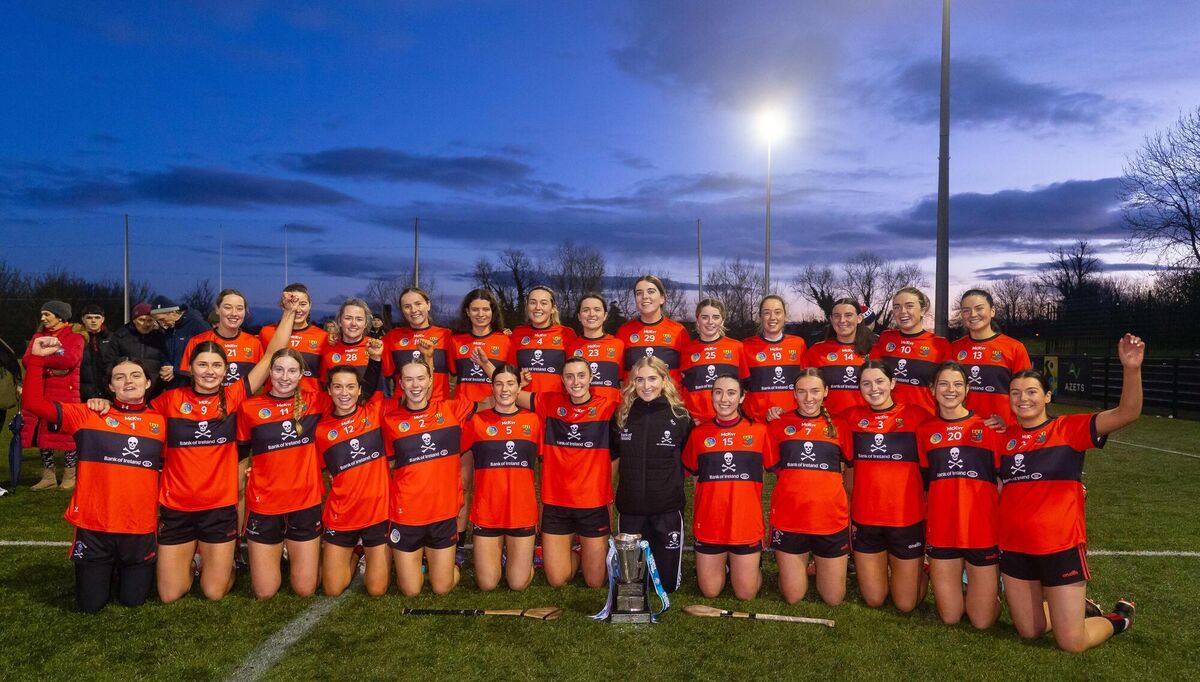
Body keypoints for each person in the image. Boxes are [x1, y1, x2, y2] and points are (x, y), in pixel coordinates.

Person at [999, 334, 1144, 653]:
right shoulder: (1003, 438)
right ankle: (1076, 607)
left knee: (1071, 642)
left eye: (1032, 391)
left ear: (1048, 396)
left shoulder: (1069, 429)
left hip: (1060, 544)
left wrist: (1131, 369)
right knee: (1030, 632)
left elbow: (1127, 413)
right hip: (1014, 547)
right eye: (1016, 392)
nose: (1023, 398)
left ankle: (1117, 619)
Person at [23, 336, 165, 613]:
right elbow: (33, 403)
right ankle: (105, 568)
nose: (128, 381)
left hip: (139, 527)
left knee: (132, 601)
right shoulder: (88, 416)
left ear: (148, 383)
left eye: (136, 375)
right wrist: (37, 360)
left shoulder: (161, 422)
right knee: (91, 605)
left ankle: (118, 569)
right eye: (119, 377)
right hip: (95, 526)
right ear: (110, 386)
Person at [505, 357, 618, 588]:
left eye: (581, 375)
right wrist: (488, 364)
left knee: (595, 582)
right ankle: (577, 552)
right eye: (569, 376)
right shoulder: (551, 403)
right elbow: (508, 390)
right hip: (557, 503)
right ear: (562, 381)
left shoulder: (608, 407)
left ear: (591, 378)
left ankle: (584, 550)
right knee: (557, 580)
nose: (576, 382)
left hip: (592, 503)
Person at [237, 348, 333, 599]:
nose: (284, 377)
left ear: (302, 374)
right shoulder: (249, 408)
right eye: (278, 370)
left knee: (305, 589)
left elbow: (357, 397)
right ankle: (280, 549)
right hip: (265, 502)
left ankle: (329, 557)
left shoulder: (317, 401)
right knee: (265, 592)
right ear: (269, 372)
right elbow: (239, 454)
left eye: (292, 371)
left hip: (305, 500)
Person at [917, 362, 1002, 628]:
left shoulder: (990, 428)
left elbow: (1006, 481)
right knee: (951, 617)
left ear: (967, 390)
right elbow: (925, 484)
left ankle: (992, 593)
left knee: (981, 622)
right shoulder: (925, 431)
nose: (950, 390)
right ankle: (971, 588)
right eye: (943, 384)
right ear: (932, 389)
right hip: (943, 531)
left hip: (982, 531)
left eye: (957, 385)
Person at [845, 360, 932, 612]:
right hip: (866, 518)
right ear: (859, 387)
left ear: (893, 383)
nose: (874, 388)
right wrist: (776, 414)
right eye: (866, 383)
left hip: (906, 519)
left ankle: (923, 571)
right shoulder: (851, 419)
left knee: (905, 605)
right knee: (875, 599)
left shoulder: (917, 416)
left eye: (880, 381)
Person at [765, 369, 852, 605]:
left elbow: (851, 467)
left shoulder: (841, 426)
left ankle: (819, 566)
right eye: (801, 391)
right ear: (794, 393)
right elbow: (775, 467)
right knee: (793, 597)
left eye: (815, 391)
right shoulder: (779, 424)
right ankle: (804, 565)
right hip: (790, 518)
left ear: (826, 392)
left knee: (834, 599)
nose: (808, 397)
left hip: (830, 519)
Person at [683, 374, 769, 600]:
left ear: (742, 397)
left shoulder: (759, 432)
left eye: (731, 393)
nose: (724, 399)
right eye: (718, 392)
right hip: (711, 522)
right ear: (711, 396)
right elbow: (691, 473)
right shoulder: (699, 434)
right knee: (710, 592)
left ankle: (751, 565)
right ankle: (728, 565)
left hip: (745, 523)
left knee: (746, 594)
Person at [611, 356, 692, 593]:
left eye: (653, 378)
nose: (647, 385)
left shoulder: (681, 417)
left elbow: (690, 459)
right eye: (640, 379)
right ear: (632, 383)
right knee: (632, 581)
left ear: (664, 380)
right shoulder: (621, 416)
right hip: (631, 509)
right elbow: (614, 458)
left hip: (666, 509)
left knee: (666, 585)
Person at [460, 363, 541, 591]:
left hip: (521, 511)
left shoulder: (534, 422)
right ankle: (508, 558)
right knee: (487, 584)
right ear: (492, 388)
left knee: (517, 584)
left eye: (510, 383)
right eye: (498, 384)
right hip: (487, 512)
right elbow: (460, 467)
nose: (504, 389)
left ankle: (521, 562)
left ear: (519, 388)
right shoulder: (476, 422)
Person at [316, 362, 390, 597]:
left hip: (378, 512)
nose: (344, 393)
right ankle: (357, 551)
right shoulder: (321, 431)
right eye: (337, 387)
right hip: (342, 513)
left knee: (377, 590)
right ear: (329, 390)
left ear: (360, 390)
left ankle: (367, 550)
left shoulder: (376, 413)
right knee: (332, 589)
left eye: (350, 387)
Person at [22, 300, 85, 491]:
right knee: (44, 436)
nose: (43, 318)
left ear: (60, 316)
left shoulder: (75, 337)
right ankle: (48, 476)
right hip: (41, 393)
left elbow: (69, 360)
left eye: (47, 314)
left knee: (67, 437)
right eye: (42, 314)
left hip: (66, 395)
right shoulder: (38, 335)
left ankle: (69, 475)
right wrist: (48, 368)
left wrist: (41, 360)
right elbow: (26, 359)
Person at [950, 289, 1032, 426]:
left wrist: (1009, 421)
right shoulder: (953, 349)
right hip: (962, 429)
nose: (973, 314)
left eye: (979, 308)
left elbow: (1027, 394)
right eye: (966, 310)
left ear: (992, 311)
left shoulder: (1014, 348)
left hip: (1001, 429)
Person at [871, 288, 950, 415]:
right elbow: (871, 376)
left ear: (923, 310)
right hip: (887, 420)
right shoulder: (886, 338)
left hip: (923, 420)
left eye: (909, 306)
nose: (902, 312)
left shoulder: (940, 345)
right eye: (897, 307)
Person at [680, 298, 748, 423]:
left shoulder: (736, 347)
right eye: (705, 317)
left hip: (727, 420)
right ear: (697, 320)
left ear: (722, 321)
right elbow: (681, 388)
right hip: (696, 422)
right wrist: (687, 418)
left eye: (716, 317)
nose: (710, 322)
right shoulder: (686, 350)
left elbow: (744, 387)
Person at [180, 289, 265, 387]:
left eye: (240, 308)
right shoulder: (197, 341)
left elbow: (261, 380)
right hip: (208, 401)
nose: (234, 313)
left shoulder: (254, 343)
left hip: (243, 402)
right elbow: (186, 382)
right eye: (227, 307)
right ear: (217, 309)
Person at [381, 287, 453, 402]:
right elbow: (382, 375)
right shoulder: (391, 338)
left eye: (418, 304)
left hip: (439, 409)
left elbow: (459, 372)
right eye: (407, 306)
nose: (413, 310)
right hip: (404, 409)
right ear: (402, 310)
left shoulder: (446, 336)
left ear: (428, 305)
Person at [804, 298, 873, 417]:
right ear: (831, 319)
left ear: (859, 318)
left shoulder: (874, 350)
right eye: (837, 316)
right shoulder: (816, 351)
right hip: (829, 425)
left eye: (848, 315)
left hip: (865, 425)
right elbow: (804, 389)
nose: (842, 320)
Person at [743, 295, 808, 421]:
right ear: (760, 317)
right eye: (767, 313)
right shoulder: (745, 346)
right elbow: (740, 387)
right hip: (757, 421)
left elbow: (806, 383)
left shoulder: (798, 344)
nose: (772, 317)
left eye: (777, 312)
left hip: (792, 420)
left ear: (784, 315)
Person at [616, 276, 689, 382]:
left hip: (670, 398)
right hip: (634, 398)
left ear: (662, 298)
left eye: (651, 291)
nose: (644, 296)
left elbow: (689, 375)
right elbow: (618, 376)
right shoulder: (624, 332)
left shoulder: (678, 331)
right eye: (639, 293)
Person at [258, 283, 327, 392]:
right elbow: (261, 371)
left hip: (310, 403)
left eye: (303, 304)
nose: (297, 309)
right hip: (275, 403)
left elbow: (325, 377)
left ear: (310, 305)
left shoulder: (322, 336)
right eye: (292, 303)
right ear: (283, 305)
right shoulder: (267, 332)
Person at [510, 286, 577, 395]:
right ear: (527, 307)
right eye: (532, 302)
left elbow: (575, 372)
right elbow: (510, 373)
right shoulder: (517, 333)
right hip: (524, 403)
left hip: (556, 405)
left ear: (553, 308)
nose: (537, 307)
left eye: (544, 303)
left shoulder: (566, 334)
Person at [451, 288, 514, 403]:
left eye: (486, 309)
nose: (480, 314)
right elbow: (449, 376)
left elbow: (511, 380)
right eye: (475, 309)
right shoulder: (455, 341)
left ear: (492, 312)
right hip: (463, 410)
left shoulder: (506, 341)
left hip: (495, 409)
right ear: (467, 312)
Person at [568, 293, 624, 403]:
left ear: (605, 315)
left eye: (597, 309)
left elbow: (623, 382)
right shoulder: (571, 347)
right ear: (579, 316)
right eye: (586, 310)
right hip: (581, 413)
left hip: (611, 412)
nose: (591, 314)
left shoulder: (618, 345)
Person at [110, 302, 168, 395]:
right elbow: (109, 364)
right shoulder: (120, 337)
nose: (146, 324)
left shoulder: (161, 337)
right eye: (142, 320)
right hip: (127, 391)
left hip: (156, 391)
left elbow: (167, 360)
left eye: (150, 320)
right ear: (133, 320)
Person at [320, 298, 376, 384]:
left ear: (365, 323)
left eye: (359, 319)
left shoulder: (376, 347)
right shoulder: (328, 349)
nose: (353, 323)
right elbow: (324, 384)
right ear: (339, 322)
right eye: (348, 318)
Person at [152, 297, 210, 376]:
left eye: (162, 319)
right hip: (175, 381)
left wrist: (176, 370)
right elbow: (165, 353)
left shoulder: (198, 325)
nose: (162, 324)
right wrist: (166, 365)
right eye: (158, 321)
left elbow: (208, 354)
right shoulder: (169, 329)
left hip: (193, 380)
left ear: (173, 312)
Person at [78, 304, 116, 401]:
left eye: (97, 317)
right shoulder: (77, 338)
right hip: (83, 393)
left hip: (109, 392)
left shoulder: (113, 338)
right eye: (89, 318)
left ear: (103, 319)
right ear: (83, 319)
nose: (93, 321)